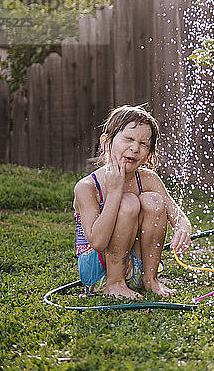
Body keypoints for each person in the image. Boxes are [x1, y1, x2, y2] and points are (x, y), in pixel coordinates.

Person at [73, 104, 192, 300]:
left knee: (154, 200)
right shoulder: (87, 187)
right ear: (106, 142)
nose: (135, 148)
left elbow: (178, 216)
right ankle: (114, 283)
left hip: (133, 266)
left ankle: (149, 279)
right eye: (128, 139)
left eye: (143, 144)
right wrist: (114, 193)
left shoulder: (148, 179)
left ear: (149, 154)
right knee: (127, 202)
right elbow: (98, 241)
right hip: (98, 272)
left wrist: (182, 228)